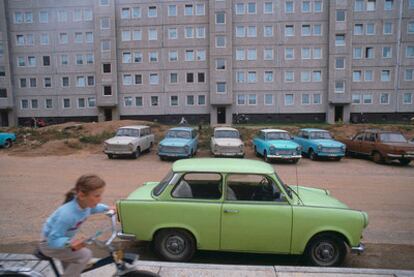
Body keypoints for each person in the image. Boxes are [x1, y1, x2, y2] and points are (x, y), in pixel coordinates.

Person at [39, 174, 110, 277]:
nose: (100, 199)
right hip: (50, 245)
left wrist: (108, 208)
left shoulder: (84, 205)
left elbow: (94, 208)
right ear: (81, 195)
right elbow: (53, 239)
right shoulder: (68, 214)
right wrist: (70, 243)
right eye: (97, 195)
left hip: (63, 242)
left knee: (72, 271)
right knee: (85, 255)